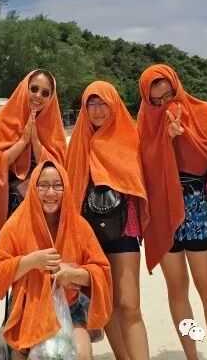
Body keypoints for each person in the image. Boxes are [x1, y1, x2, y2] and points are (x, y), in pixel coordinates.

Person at [137, 64, 207, 360]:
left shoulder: (204, 111)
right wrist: (164, 141)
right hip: (162, 212)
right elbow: (142, 168)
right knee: (177, 289)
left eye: (169, 96)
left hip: (196, 207)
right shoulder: (145, 122)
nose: (165, 105)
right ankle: (191, 356)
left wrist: (205, 149)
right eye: (156, 101)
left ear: (177, 86)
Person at [0, 160, 113, 360]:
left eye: (57, 185)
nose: (51, 193)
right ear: (33, 188)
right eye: (43, 185)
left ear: (66, 187)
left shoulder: (78, 226)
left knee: (82, 354)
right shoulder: (16, 225)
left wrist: (71, 274)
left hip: (69, 307)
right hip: (26, 311)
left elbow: (102, 271)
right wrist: (30, 261)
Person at [65, 81, 150, 360]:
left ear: (114, 105)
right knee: (106, 302)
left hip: (124, 225)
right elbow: (70, 186)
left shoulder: (129, 136)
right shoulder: (78, 140)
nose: (98, 110)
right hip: (89, 232)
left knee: (130, 304)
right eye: (92, 103)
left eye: (103, 103)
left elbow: (147, 167)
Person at [0, 69, 66, 237]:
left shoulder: (54, 127)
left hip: (45, 206)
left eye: (45, 93)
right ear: (25, 88)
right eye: (34, 89)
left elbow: (58, 169)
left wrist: (35, 141)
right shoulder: (2, 121)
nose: (38, 96)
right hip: (10, 204)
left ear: (51, 98)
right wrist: (23, 141)